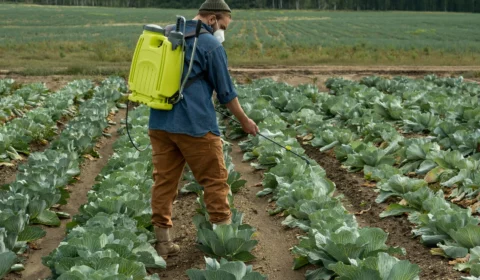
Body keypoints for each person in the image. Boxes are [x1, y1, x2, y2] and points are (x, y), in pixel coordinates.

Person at [148, 0, 259, 259]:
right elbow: (226, 92)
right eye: (223, 25)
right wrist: (244, 120)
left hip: (160, 123)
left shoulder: (167, 34)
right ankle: (224, 243)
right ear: (212, 19)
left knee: (164, 182)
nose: (223, 31)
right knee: (215, 181)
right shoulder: (210, 44)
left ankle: (163, 244)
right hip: (195, 126)